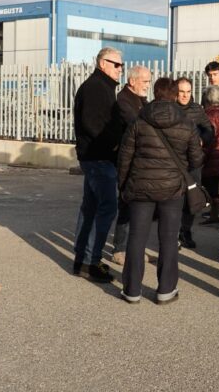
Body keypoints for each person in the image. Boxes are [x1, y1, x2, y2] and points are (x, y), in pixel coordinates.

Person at [117, 78, 204, 304]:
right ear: (175, 96)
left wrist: (124, 185)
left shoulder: (139, 120)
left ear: (155, 94)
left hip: (140, 187)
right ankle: (166, 290)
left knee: (136, 238)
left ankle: (132, 290)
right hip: (172, 189)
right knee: (168, 239)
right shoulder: (186, 123)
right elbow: (196, 160)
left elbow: (125, 157)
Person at [72, 47, 124, 283]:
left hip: (96, 157)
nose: (120, 69)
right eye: (116, 64)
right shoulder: (96, 87)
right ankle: (90, 261)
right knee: (106, 208)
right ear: (103, 63)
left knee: (91, 208)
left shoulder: (103, 87)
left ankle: (83, 260)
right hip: (99, 158)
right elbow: (93, 124)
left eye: (121, 65)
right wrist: (114, 145)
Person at [112, 65, 151, 266]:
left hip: (141, 161)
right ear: (133, 81)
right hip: (127, 161)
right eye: (145, 81)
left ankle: (134, 248)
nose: (147, 85)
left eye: (149, 81)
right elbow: (136, 124)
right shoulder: (124, 99)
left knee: (140, 208)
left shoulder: (141, 99)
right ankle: (120, 248)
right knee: (126, 206)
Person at [175, 77, 214, 246]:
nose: (185, 95)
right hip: (174, 161)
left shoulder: (197, 109)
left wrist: (202, 140)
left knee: (191, 199)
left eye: (188, 92)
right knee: (174, 198)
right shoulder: (170, 108)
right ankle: (173, 233)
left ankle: (186, 231)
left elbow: (209, 130)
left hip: (193, 162)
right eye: (181, 92)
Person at [202, 85, 219, 227]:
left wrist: (202, 157)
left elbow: (209, 139)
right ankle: (215, 216)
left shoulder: (210, 115)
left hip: (214, 158)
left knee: (215, 193)